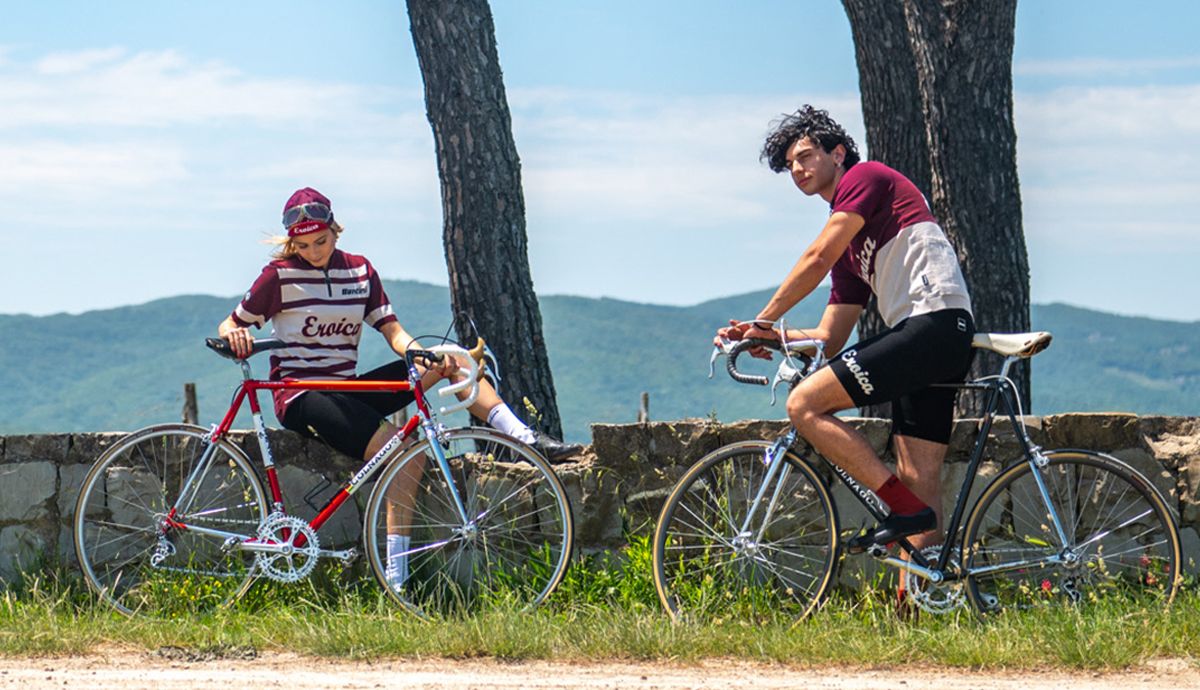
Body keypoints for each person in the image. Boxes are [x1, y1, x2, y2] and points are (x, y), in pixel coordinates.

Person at [218, 187, 580, 587]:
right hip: (303, 395)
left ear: (336, 231)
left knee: (455, 359)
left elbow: (391, 330)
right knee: (406, 453)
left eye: (320, 241)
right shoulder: (279, 276)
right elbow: (231, 323)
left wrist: (419, 354)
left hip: (347, 390)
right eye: (302, 245)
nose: (314, 251)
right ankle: (397, 578)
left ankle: (525, 438)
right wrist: (235, 336)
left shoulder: (360, 271)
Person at [718, 105, 974, 562]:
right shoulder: (853, 250)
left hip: (931, 324)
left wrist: (763, 318)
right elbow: (829, 337)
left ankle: (901, 511)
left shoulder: (866, 177)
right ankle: (921, 599)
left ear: (838, 154)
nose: (798, 169)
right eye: (791, 165)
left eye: (806, 156)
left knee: (804, 404)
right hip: (936, 337)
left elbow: (816, 257)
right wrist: (768, 337)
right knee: (918, 482)